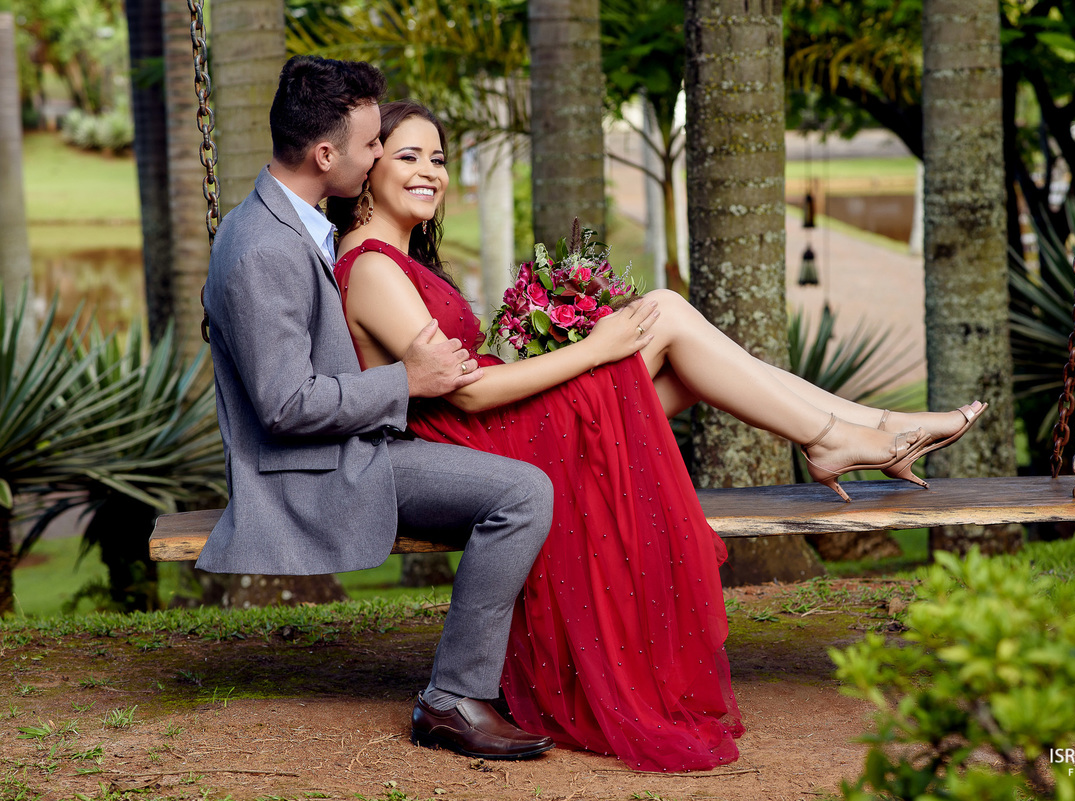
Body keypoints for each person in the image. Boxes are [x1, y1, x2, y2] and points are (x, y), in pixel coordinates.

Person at [329, 100, 986, 771]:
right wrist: (594, 348)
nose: (429, 172)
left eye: (437, 158)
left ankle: (863, 427)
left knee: (687, 356)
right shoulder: (373, 266)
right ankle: (846, 433)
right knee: (666, 316)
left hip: (489, 425)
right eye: (408, 156)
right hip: (476, 437)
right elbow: (464, 391)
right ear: (371, 165)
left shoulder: (398, 261)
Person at [197, 57, 560, 761]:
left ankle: (525, 672)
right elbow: (284, 404)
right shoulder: (261, 247)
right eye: (370, 146)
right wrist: (408, 380)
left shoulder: (295, 223)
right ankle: (451, 696)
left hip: (355, 444)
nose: (375, 160)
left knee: (531, 463)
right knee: (522, 491)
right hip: (316, 470)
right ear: (326, 153)